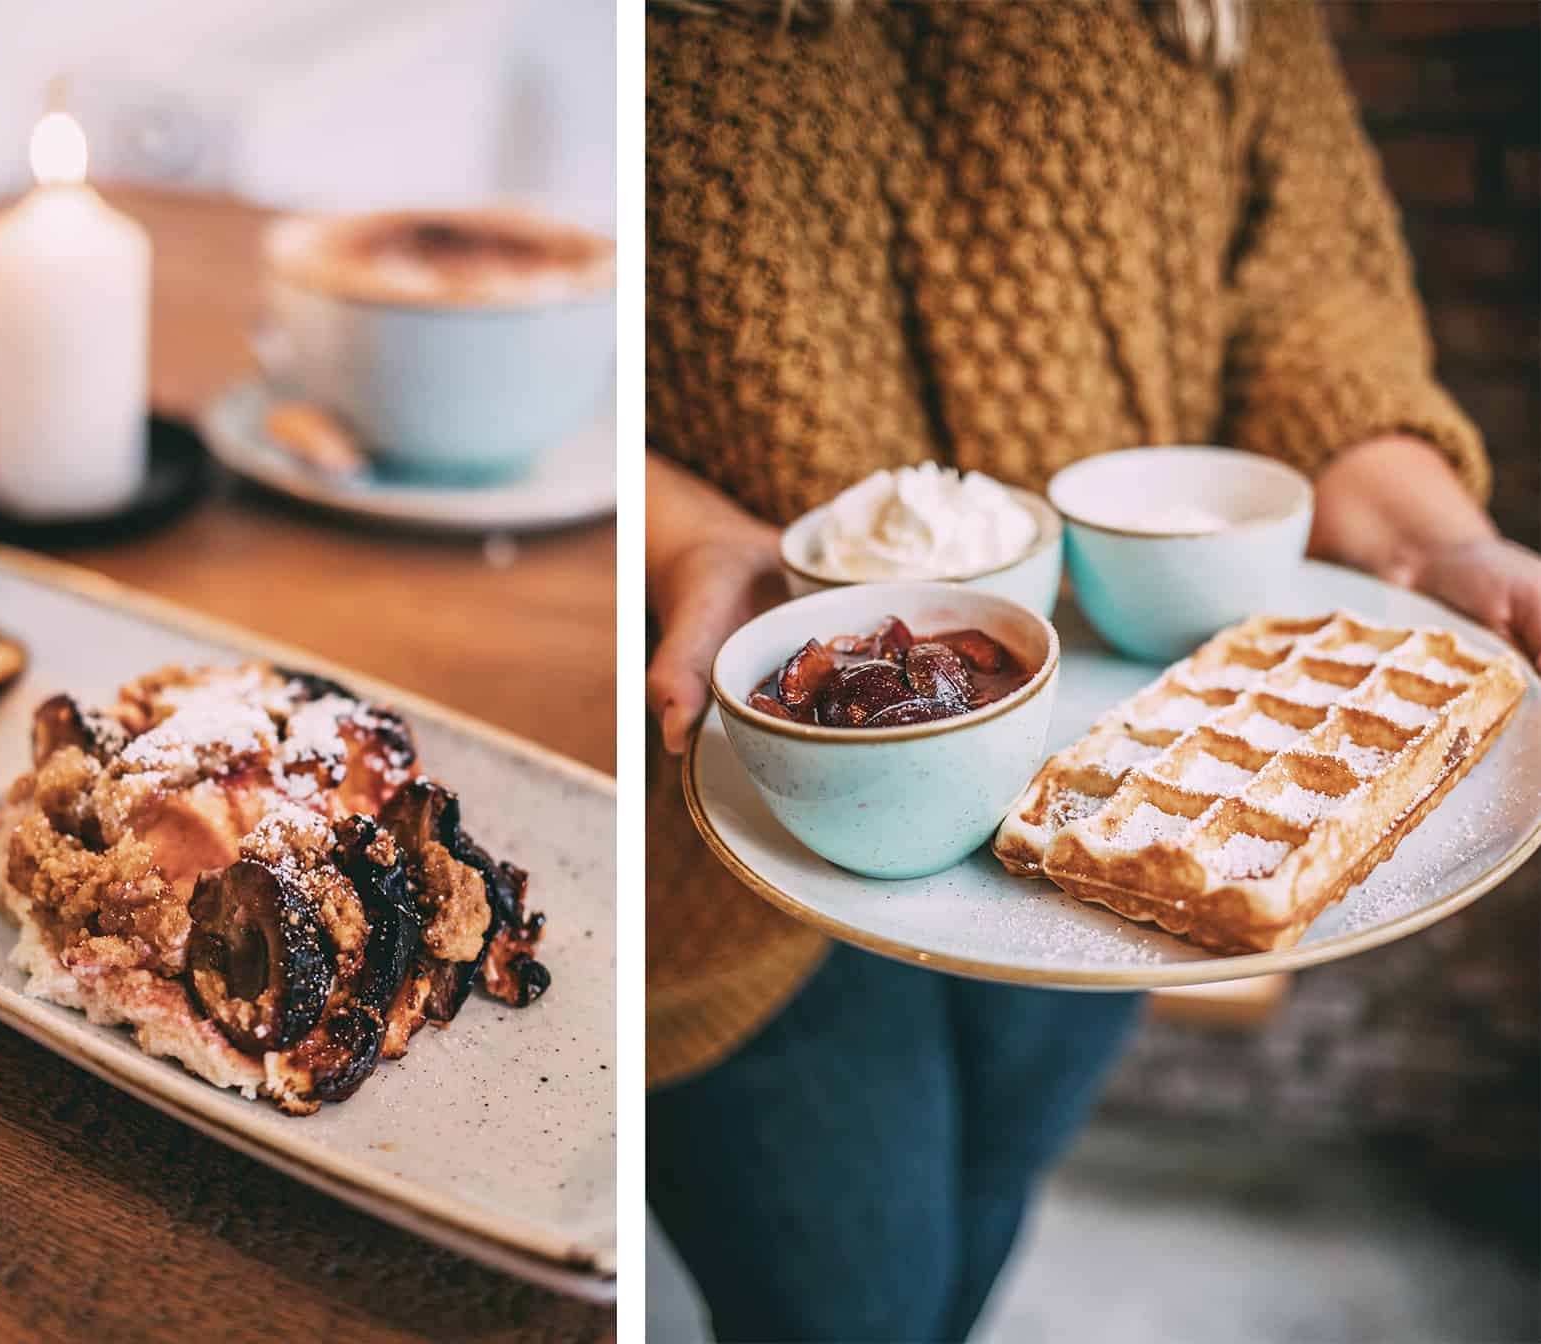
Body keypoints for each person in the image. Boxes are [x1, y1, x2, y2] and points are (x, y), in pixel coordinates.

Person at [643, 2, 1541, 1340]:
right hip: (748, 816)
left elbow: (1305, 309)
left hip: (1106, 742)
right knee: (853, 1306)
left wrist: (1438, 538)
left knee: (987, 1207)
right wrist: (688, 539)